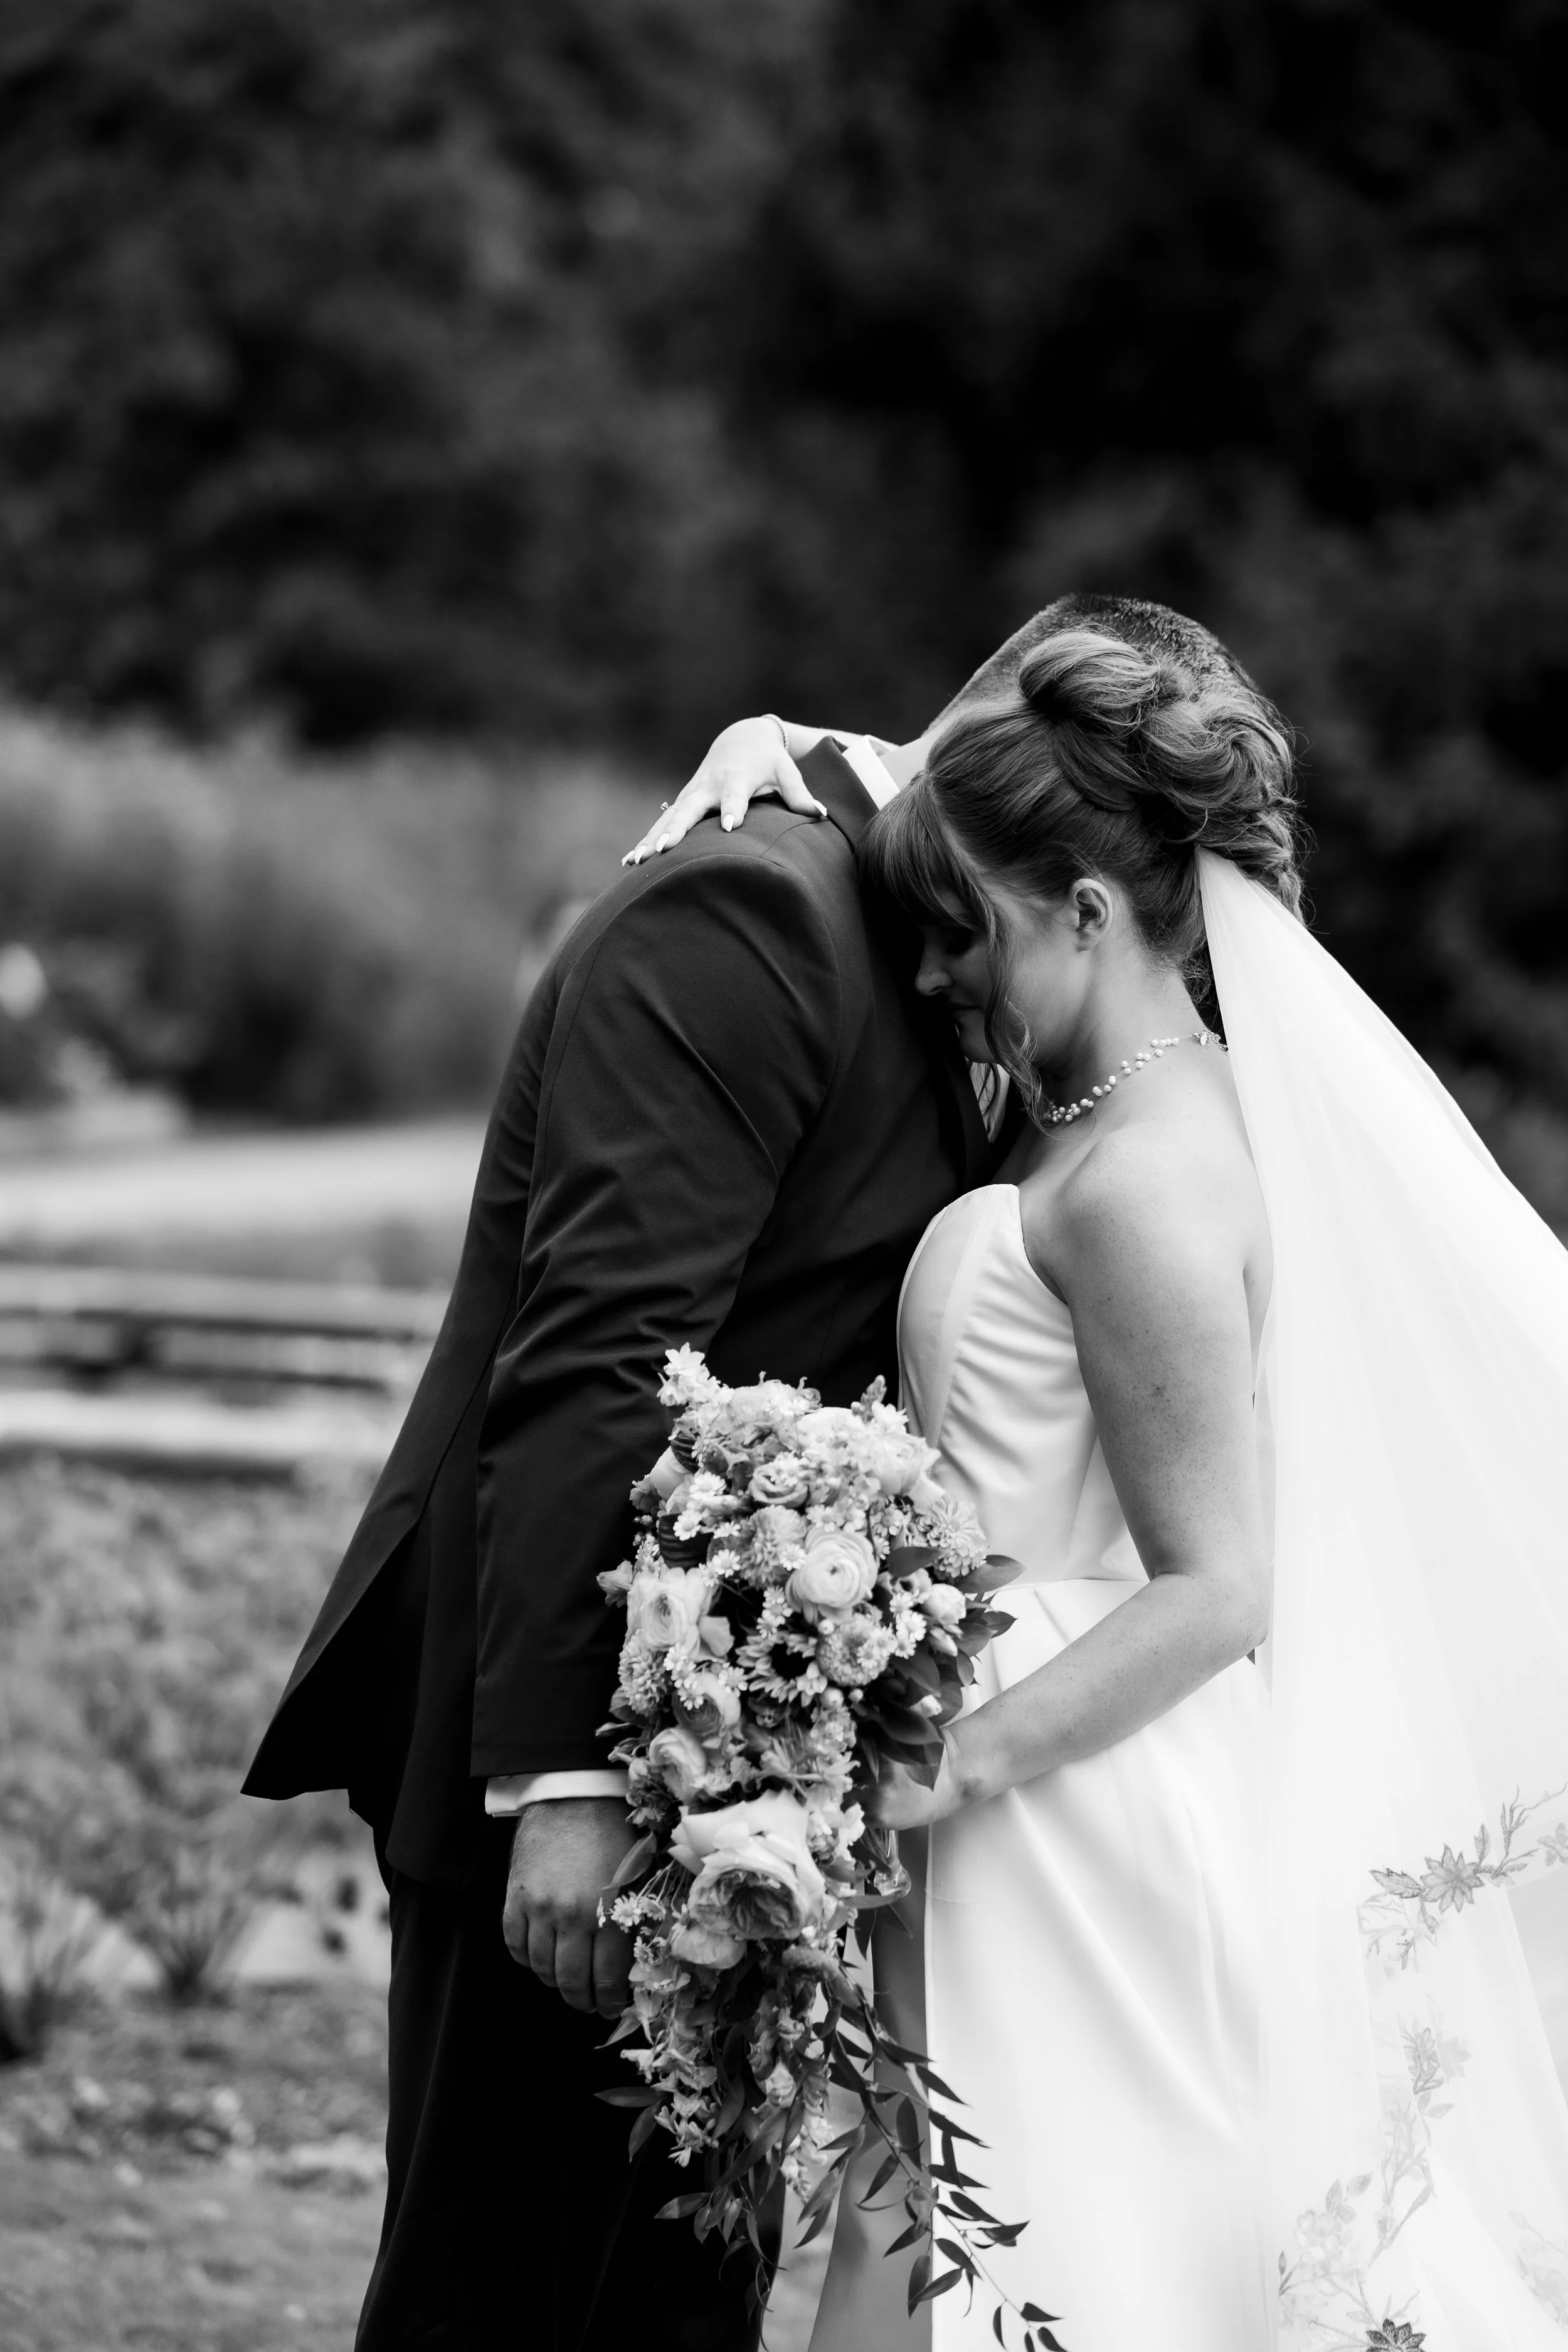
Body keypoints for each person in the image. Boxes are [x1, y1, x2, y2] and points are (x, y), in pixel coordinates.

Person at [659, 598, 1568, 2349]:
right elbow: (1024, 732)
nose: (932, 975)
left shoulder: (1146, 1178)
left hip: (1078, 1798)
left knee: (1063, 2249)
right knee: (938, 2236)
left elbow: (1220, 1586)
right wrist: (807, 759)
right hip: (1012, 1772)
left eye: (958, 938)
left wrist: (952, 1764)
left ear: (1083, 909)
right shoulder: (1091, 1098)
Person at [241, 658, 1022, 2349]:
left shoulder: (1016, 971)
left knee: (672, 2310)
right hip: (582, 1755)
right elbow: (602, 1352)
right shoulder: (751, 911)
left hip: (767, 1767)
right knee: (497, 2304)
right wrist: (581, 1781)